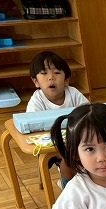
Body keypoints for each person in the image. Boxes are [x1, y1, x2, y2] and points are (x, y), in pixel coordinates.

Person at [27, 50, 90, 185]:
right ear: (36, 82)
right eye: (44, 73)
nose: (51, 77)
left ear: (66, 80)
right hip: (52, 143)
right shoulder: (37, 100)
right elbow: (32, 126)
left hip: (76, 139)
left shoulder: (74, 93)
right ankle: (67, 186)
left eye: (56, 72)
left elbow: (88, 114)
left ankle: (87, 184)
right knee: (69, 157)